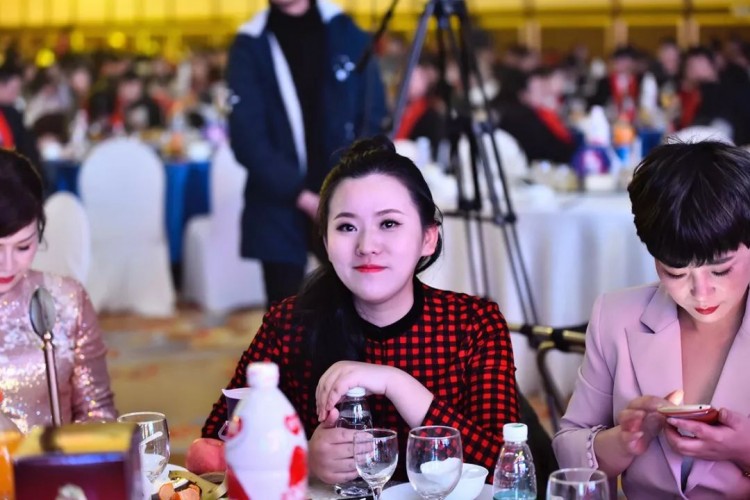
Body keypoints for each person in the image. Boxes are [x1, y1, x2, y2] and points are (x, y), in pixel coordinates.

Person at [186, 136, 521, 484]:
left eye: (388, 224)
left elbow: (507, 468)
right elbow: (211, 450)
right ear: (326, 242)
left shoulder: (474, 324)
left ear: (428, 238)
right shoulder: (289, 324)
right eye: (347, 227)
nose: (366, 246)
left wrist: (395, 383)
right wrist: (300, 459)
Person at [553, 141, 750, 498]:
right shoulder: (617, 317)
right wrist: (623, 440)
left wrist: (743, 449)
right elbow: (568, 448)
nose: (701, 292)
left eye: (721, 270)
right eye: (675, 273)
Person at [226, 0, 387, 307]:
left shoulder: (347, 32)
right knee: (285, 313)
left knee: (359, 307)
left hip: (345, 196)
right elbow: (247, 138)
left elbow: (373, 115)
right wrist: (302, 196)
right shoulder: (250, 42)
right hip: (278, 200)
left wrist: (347, 185)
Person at [0, 148, 116, 433]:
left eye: (23, 246)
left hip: (52, 461)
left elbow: (98, 414)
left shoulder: (65, 300)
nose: (7, 264)